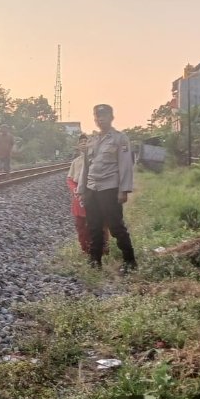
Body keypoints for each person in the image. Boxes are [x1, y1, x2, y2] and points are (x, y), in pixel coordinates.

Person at [81, 104, 137, 273]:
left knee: (115, 226)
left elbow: (126, 165)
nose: (100, 119)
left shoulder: (120, 139)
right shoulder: (92, 140)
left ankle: (130, 260)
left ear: (112, 117)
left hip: (109, 188)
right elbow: (86, 166)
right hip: (92, 188)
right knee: (94, 226)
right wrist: (83, 189)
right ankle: (95, 261)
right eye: (97, 116)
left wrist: (123, 190)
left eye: (104, 116)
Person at [67, 133, 108, 255]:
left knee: (100, 223)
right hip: (79, 198)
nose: (84, 144)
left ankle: (103, 247)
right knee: (81, 225)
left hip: (96, 197)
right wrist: (76, 190)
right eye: (82, 142)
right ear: (78, 146)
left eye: (87, 141)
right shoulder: (75, 162)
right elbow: (70, 179)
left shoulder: (98, 160)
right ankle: (85, 248)